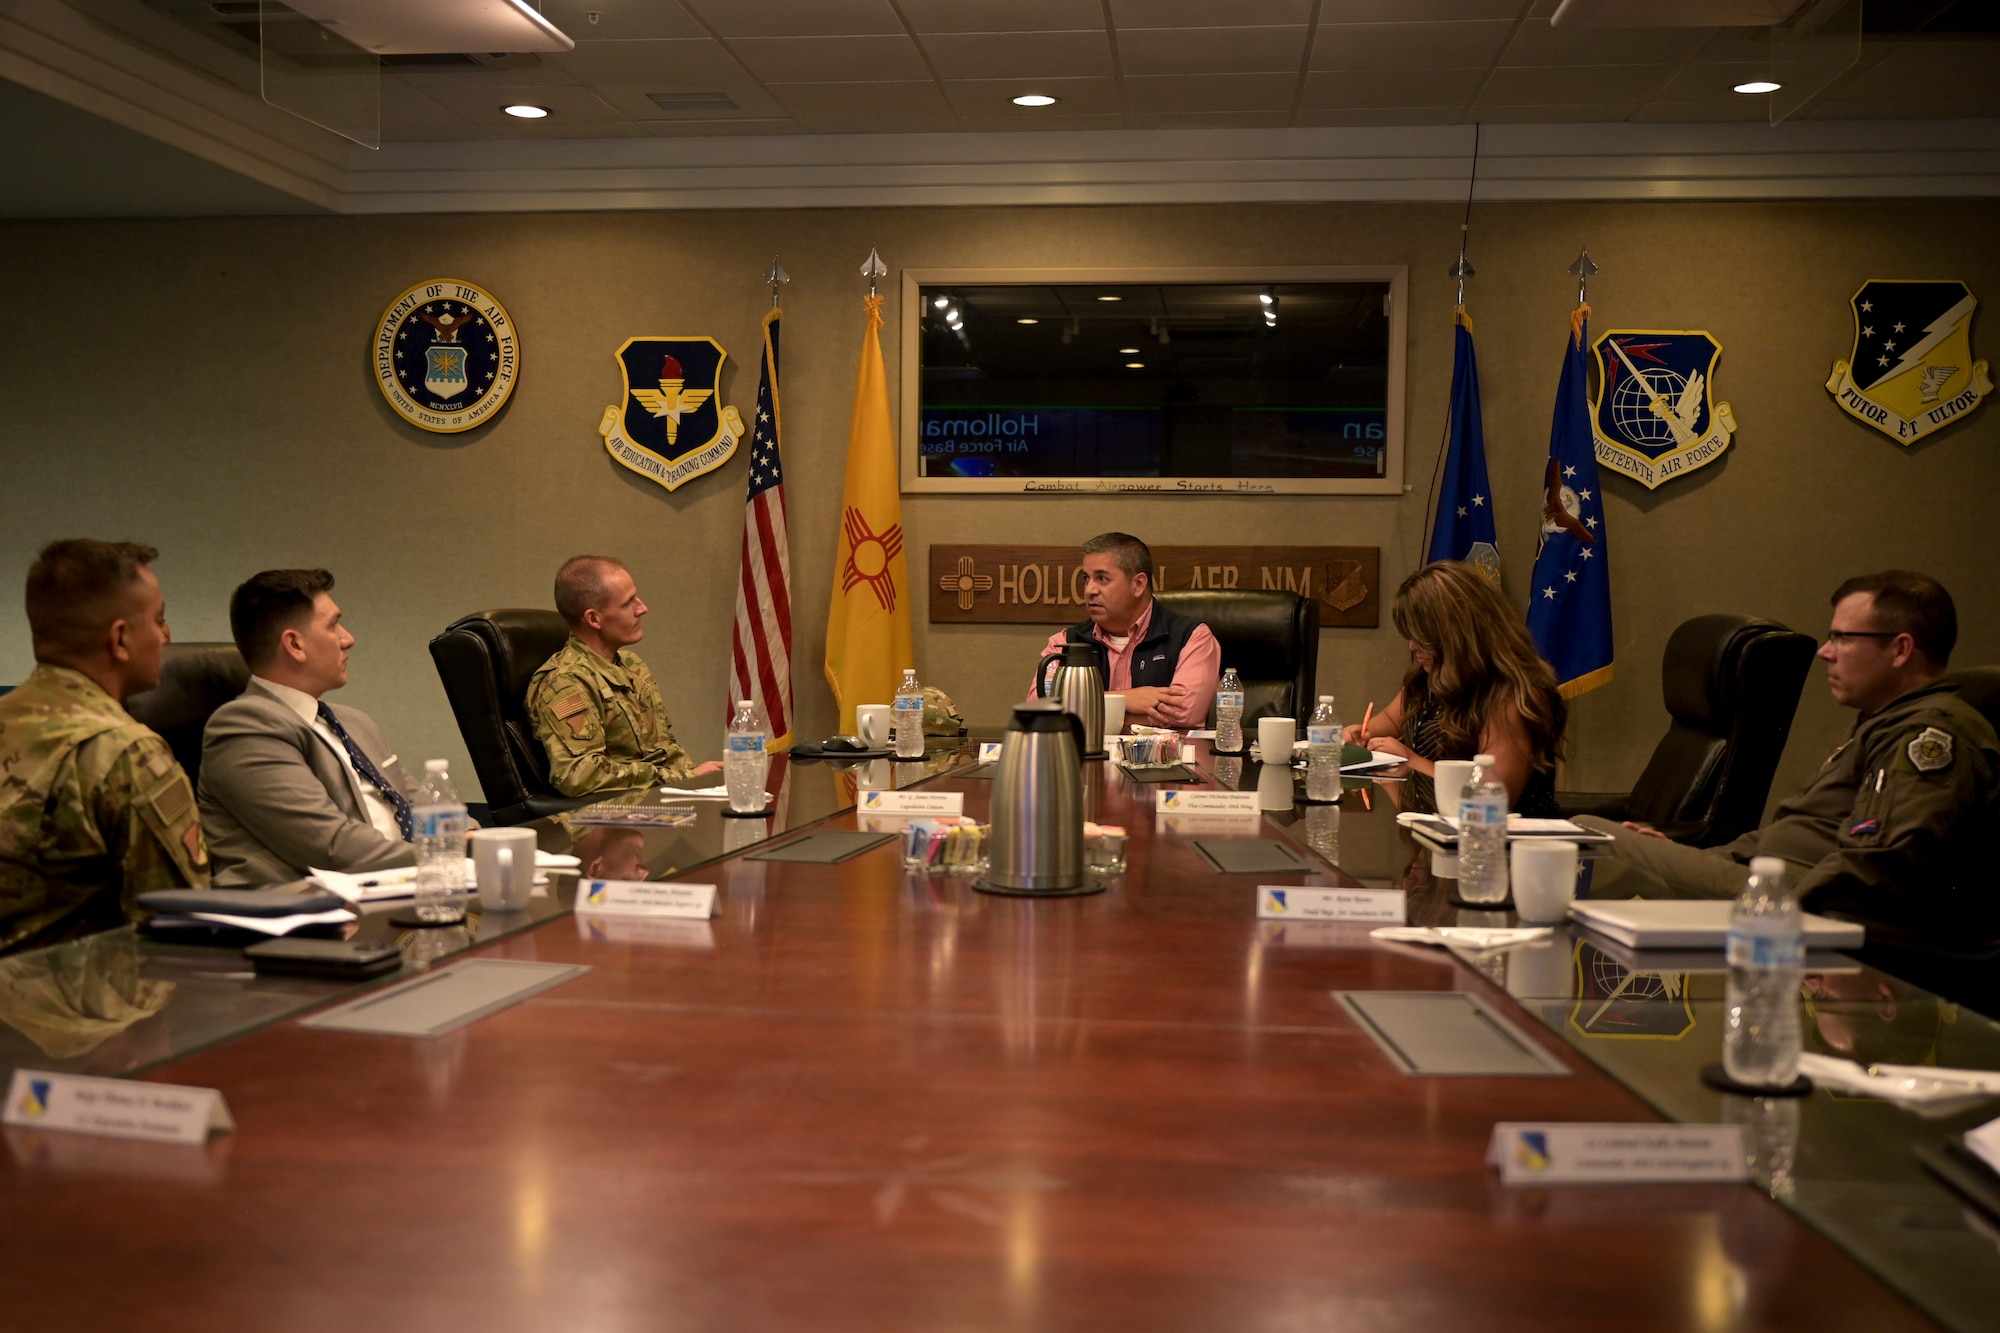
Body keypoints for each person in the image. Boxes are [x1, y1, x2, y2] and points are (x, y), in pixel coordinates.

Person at [1581, 571, 1999, 947]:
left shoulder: (1930, 735)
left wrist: (1770, 904)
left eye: (1843, 638)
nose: (1825, 652)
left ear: (1900, 649)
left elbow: (1881, 866)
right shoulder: (1883, 722)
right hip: (1770, 881)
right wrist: (1705, 860)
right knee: (1593, 841)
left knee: (1587, 834)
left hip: (1791, 899)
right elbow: (1797, 830)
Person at [0, 540, 210, 951]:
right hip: (72, 1008)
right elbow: (180, 927)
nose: (163, 636)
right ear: (120, 639)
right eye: (156, 620)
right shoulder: (126, 753)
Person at [198, 570, 422, 886]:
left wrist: (467, 835)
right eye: (333, 625)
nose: (348, 639)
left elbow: (423, 801)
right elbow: (331, 847)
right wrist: (448, 855)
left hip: (402, 894)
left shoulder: (355, 722)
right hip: (311, 917)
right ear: (295, 644)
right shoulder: (245, 727)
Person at [1343, 561, 1566, 817]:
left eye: (1421, 636)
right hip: (1433, 832)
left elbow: (1491, 796)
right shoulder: (1428, 677)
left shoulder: (1512, 695)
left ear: (1456, 635)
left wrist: (1412, 762)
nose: (1412, 646)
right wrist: (1363, 734)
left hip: (1503, 846)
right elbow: (1391, 720)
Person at [528, 555, 722, 797]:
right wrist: (681, 778)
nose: (642, 608)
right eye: (628, 603)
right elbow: (578, 774)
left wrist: (701, 779)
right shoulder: (566, 681)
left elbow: (663, 747)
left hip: (660, 797)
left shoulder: (632, 665)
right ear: (593, 618)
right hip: (612, 817)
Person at [1025, 533, 1220, 728]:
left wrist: (1087, 714)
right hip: (1084, 758)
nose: (1089, 590)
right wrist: (1125, 699)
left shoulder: (1192, 638)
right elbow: (1038, 705)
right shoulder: (1066, 641)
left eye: (1102, 578)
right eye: (1087, 578)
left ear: (1138, 584)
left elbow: (1184, 713)